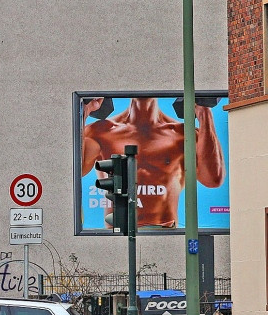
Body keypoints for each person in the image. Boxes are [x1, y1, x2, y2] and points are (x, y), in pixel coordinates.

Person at [81, 96, 225, 229]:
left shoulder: (183, 135)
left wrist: (204, 111)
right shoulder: (100, 132)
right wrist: (85, 110)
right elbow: (78, 169)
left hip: (165, 232)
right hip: (118, 232)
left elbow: (212, 179)